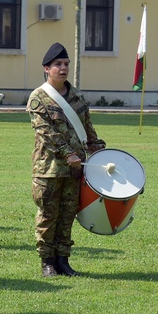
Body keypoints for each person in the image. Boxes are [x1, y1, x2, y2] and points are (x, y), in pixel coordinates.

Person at [27, 42, 105, 278]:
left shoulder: (76, 95)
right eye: (57, 65)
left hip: (75, 168)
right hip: (48, 169)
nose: (63, 69)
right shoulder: (38, 98)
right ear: (46, 69)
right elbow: (45, 132)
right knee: (48, 215)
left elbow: (87, 127)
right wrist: (67, 153)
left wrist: (98, 148)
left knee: (68, 215)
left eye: (66, 64)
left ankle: (63, 260)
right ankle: (47, 262)